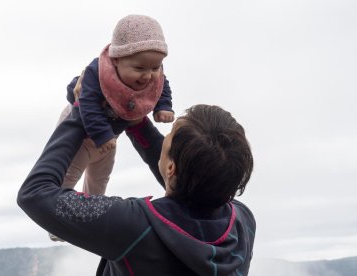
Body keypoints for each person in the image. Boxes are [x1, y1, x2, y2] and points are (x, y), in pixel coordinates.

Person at [18, 104, 256, 275]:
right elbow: (196, 185)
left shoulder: (135, 226)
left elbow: (35, 194)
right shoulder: (242, 223)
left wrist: (82, 111)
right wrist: (138, 123)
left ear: (171, 167)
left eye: (169, 136)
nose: (162, 140)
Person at [58, 14, 174, 199]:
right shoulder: (98, 73)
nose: (148, 76)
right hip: (83, 132)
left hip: (110, 137)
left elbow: (162, 85)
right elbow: (86, 103)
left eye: (155, 68)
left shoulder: (153, 74)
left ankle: (92, 213)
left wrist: (164, 105)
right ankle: (57, 224)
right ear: (117, 59)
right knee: (66, 178)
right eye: (139, 68)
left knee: (100, 178)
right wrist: (101, 134)